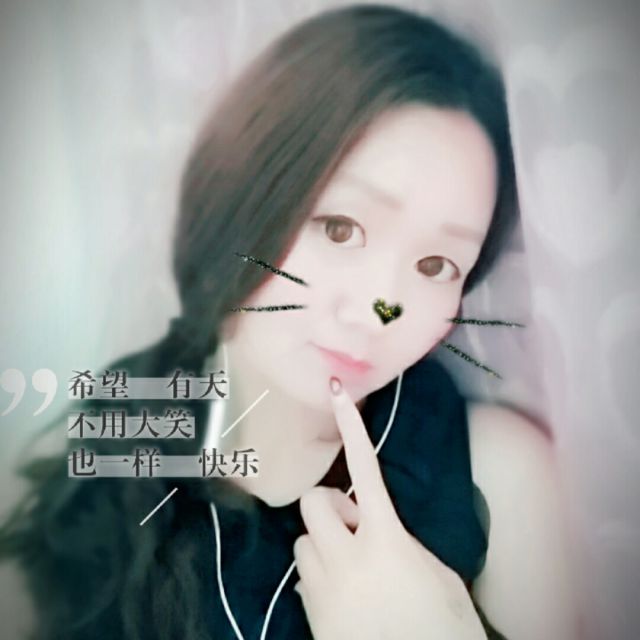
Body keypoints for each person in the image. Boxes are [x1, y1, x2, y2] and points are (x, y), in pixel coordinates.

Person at [0, 4, 576, 639]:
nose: (379, 309)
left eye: (436, 265)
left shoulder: (497, 476)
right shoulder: (116, 430)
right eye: (340, 228)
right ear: (244, 196)